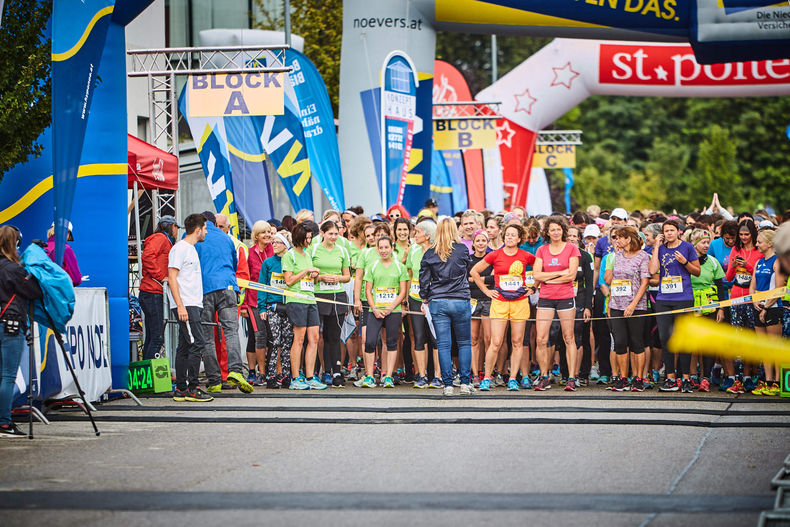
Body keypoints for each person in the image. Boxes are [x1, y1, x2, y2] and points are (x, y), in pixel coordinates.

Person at [470, 223, 536, 391]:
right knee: (496, 341)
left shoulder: (526, 255)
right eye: (507, 235)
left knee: (517, 341)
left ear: (519, 239)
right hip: (499, 301)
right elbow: (474, 272)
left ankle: (513, 378)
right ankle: (487, 377)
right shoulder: (495, 254)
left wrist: (534, 287)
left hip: (520, 302)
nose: (509, 237)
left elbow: (540, 269)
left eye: (513, 235)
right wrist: (486, 291)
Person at [194, 212, 253, 394]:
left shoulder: (196, 236)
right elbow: (234, 264)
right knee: (231, 332)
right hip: (228, 287)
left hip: (205, 288)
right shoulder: (228, 239)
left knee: (208, 335)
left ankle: (214, 380)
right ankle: (235, 371)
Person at [419, 218, 475, 396]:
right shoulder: (462, 249)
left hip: (438, 299)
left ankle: (448, 385)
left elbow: (424, 279)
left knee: (443, 345)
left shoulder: (430, 253)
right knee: (464, 342)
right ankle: (465, 383)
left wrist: (424, 297)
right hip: (460, 299)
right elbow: (467, 269)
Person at [0, 225, 43, 435]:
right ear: (15, 244)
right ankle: (4, 422)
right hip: (11, 323)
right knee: (8, 376)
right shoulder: (14, 269)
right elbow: (34, 292)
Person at [649, 219, 701, 393]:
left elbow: (697, 271)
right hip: (664, 299)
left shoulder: (687, 247)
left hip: (684, 298)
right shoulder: (661, 248)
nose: (669, 233)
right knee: (665, 338)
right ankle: (670, 378)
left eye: (672, 230)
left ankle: (685, 378)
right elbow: (652, 270)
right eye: (666, 231)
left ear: (678, 231)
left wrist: (685, 262)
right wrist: (657, 247)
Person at [167, 214, 213, 403]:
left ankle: (181, 389)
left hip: (192, 303)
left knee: (185, 346)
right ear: (198, 229)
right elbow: (171, 277)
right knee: (197, 343)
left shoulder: (190, 249)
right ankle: (192, 388)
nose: (206, 232)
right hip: (186, 304)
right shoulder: (180, 249)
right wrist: (180, 306)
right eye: (205, 228)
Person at [533, 216, 582, 391]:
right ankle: (544, 376)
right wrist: (559, 274)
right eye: (552, 229)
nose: (555, 232)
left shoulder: (571, 248)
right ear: (547, 232)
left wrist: (548, 279)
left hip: (565, 296)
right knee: (541, 339)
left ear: (563, 231)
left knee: (569, 338)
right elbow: (536, 275)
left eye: (558, 229)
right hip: (546, 297)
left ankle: (571, 378)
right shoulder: (542, 250)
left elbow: (571, 275)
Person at [604, 226, 650, 392]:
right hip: (616, 304)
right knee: (620, 342)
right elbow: (610, 281)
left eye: (620, 237)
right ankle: (623, 378)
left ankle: (638, 378)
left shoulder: (643, 256)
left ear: (628, 239)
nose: (617, 240)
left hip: (636, 306)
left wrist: (633, 305)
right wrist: (610, 304)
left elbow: (645, 282)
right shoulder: (617, 256)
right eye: (615, 238)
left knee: (637, 342)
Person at [282, 222, 325, 390]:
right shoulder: (290, 255)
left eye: (310, 238)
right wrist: (306, 271)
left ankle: (310, 376)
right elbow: (289, 280)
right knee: (299, 339)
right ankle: (295, 377)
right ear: (299, 238)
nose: (309, 241)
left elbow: (311, 280)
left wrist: (315, 275)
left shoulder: (307, 255)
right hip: (296, 299)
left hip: (310, 299)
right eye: (306, 238)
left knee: (314, 338)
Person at [363, 236, 408, 388]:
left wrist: (391, 308)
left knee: (391, 342)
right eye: (380, 248)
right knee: (370, 342)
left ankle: (388, 376)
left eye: (386, 247)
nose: (383, 250)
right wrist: (375, 308)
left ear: (392, 248)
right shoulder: (373, 266)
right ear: (377, 249)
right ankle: (369, 376)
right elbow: (368, 291)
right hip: (375, 310)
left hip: (393, 311)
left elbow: (402, 291)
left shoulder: (399, 266)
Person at [723, 219, 762, 393]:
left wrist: (748, 266)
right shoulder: (736, 249)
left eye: (747, 234)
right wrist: (733, 266)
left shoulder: (758, 251)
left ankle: (748, 376)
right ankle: (737, 378)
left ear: (753, 234)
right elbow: (728, 278)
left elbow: (760, 275)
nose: (744, 237)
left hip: (752, 297)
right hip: (736, 297)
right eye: (741, 234)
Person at [311, 220, 351, 387]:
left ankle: (336, 371)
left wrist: (337, 278)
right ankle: (322, 371)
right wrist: (320, 277)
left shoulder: (342, 250)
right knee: (319, 336)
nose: (334, 237)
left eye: (336, 234)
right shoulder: (314, 249)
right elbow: (308, 274)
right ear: (322, 233)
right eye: (330, 234)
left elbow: (347, 276)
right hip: (318, 295)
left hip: (337, 295)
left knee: (334, 336)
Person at [688, 228, 726, 392]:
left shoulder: (713, 261)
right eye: (703, 242)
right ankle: (692, 375)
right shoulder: (686, 261)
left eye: (708, 242)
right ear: (694, 243)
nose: (706, 245)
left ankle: (705, 378)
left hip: (710, 306)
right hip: (691, 305)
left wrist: (721, 308)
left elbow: (720, 287)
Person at [139, 215, 180, 360]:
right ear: (172, 227)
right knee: (157, 337)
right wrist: (160, 276)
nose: (177, 231)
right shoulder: (160, 238)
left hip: (152, 291)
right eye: (176, 228)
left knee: (152, 337)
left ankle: (146, 370)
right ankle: (150, 370)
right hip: (152, 292)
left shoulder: (163, 240)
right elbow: (147, 257)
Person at [258, 232, 293, 389]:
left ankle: (285, 375)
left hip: (289, 307)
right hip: (272, 307)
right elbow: (262, 286)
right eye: (273, 242)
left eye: (278, 242)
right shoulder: (268, 263)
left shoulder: (291, 261)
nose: (274, 245)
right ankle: (270, 375)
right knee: (274, 341)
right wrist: (262, 307)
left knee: (287, 342)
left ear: (286, 245)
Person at [406, 219, 438, 388]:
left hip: (434, 299)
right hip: (415, 297)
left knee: (435, 338)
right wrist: (406, 298)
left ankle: (438, 376)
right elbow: (409, 274)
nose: (414, 234)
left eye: (418, 232)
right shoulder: (413, 250)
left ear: (427, 235)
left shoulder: (438, 251)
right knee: (418, 337)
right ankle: (422, 375)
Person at [750, 229, 782, 396]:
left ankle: (777, 382)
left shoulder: (778, 262)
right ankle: (768, 381)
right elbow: (752, 285)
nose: (757, 244)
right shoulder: (759, 262)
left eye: (759, 242)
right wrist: (755, 301)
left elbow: (779, 289)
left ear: (770, 244)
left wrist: (767, 307)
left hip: (773, 308)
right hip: (759, 307)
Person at [244, 220, 274, 385]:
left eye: (269, 232)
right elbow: (245, 279)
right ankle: (257, 372)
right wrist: (243, 305)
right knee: (258, 336)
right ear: (256, 235)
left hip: (273, 300)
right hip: (254, 301)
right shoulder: (249, 253)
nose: (267, 235)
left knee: (272, 337)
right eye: (264, 232)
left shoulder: (274, 251)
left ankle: (269, 371)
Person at [468, 229, 494, 385]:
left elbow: (494, 279)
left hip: (488, 300)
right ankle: (475, 373)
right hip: (472, 300)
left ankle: (488, 371)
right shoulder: (468, 259)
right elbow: (466, 279)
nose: (480, 243)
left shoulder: (491, 258)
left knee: (489, 338)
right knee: (473, 339)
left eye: (483, 240)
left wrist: (475, 278)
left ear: (488, 242)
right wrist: (483, 280)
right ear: (473, 243)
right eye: (478, 240)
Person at [46, 221, 81, 286]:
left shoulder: (42, 247)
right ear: (67, 232)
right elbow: (76, 279)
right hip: (57, 290)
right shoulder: (65, 248)